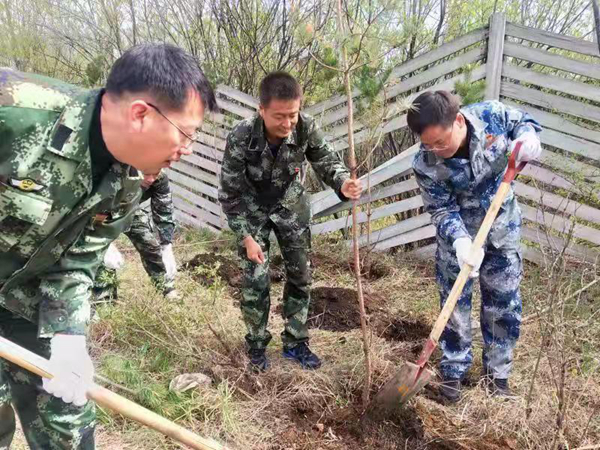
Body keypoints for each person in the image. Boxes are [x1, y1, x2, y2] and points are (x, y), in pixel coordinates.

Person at [0, 43, 217, 449]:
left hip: (26, 302)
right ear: (140, 114)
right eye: (186, 133)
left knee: (68, 422)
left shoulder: (128, 183)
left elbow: (76, 263)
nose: (187, 150)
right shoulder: (15, 107)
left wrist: (68, 340)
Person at [219, 71, 362, 372]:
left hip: (290, 205)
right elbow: (230, 194)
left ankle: (296, 342)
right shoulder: (241, 136)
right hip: (252, 209)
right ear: (261, 110)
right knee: (255, 278)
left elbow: (326, 161)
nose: (287, 124)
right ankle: (256, 344)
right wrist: (246, 237)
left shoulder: (306, 127)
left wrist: (342, 183)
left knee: (301, 275)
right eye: (279, 116)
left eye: (292, 115)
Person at [407, 90, 542, 402]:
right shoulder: (425, 163)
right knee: (454, 307)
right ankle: (453, 373)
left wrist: (527, 136)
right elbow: (440, 209)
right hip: (459, 240)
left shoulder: (491, 115)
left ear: (458, 121)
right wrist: (459, 241)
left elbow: (524, 122)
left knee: (503, 303)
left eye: (440, 142)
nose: (436, 150)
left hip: (502, 229)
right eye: (428, 144)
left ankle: (498, 377)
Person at [94, 171, 179, 302]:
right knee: (101, 255)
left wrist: (167, 246)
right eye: (147, 174)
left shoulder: (159, 178)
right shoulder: (113, 173)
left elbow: (164, 211)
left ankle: (166, 287)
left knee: (150, 244)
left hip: (129, 208)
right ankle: (104, 299)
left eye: (155, 175)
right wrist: (102, 239)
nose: (151, 180)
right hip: (97, 212)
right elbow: (89, 207)